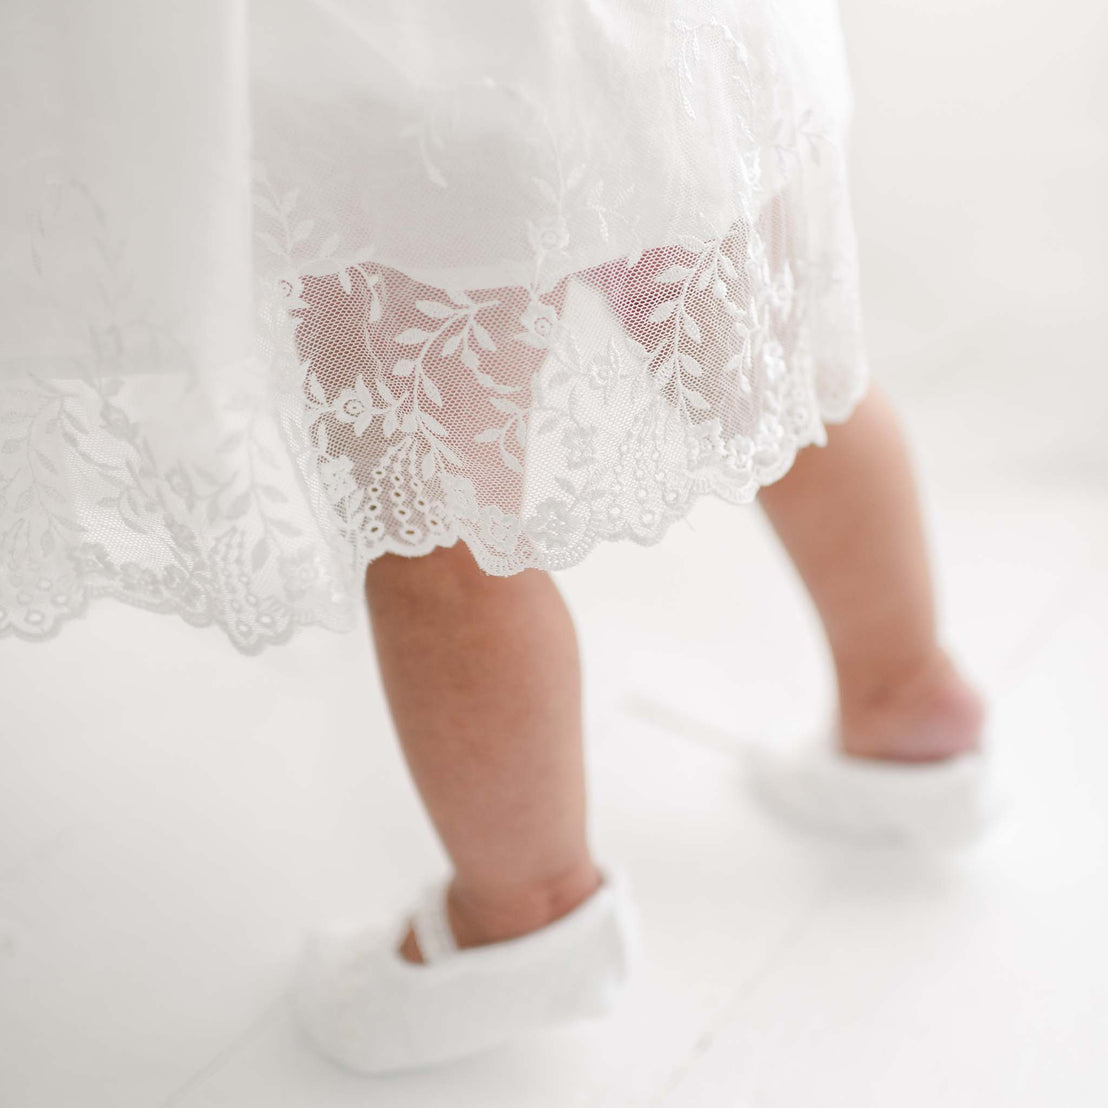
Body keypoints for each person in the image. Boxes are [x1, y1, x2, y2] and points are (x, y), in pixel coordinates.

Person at [1, 0, 993, 1077]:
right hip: (670, 45)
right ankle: (904, 693)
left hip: (410, 80)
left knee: (442, 533)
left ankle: (521, 908)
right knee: (784, 387)